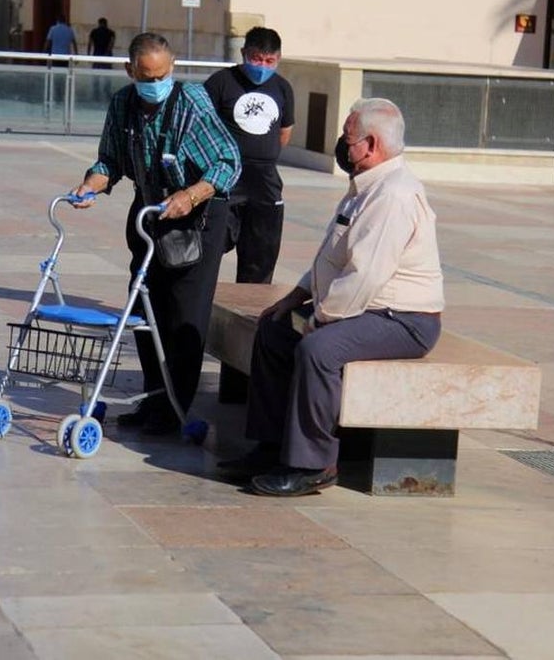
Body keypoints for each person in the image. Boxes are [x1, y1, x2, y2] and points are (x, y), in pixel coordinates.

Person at [220, 98, 444, 497]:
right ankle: (271, 446)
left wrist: (320, 318)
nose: (342, 144)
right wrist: (297, 296)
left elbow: (366, 275)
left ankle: (314, 464)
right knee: (273, 329)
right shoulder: (366, 186)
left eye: (347, 137)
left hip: (404, 319)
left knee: (319, 350)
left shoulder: (393, 195)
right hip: (366, 307)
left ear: (371, 145)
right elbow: (334, 255)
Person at [70, 32, 241, 435]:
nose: (156, 84)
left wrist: (192, 194)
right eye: (147, 77)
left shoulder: (191, 102)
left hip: (196, 215)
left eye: (163, 75)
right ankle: (153, 399)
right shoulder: (123, 104)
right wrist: (90, 185)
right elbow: (110, 161)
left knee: (183, 312)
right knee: (145, 307)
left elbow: (228, 160)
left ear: (172, 67)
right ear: (130, 71)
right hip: (151, 211)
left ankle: (174, 408)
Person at [204, 26, 295, 402]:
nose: (262, 66)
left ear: (278, 59)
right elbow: (202, 127)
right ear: (244, 54)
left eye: (269, 60)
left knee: (256, 279)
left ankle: (240, 380)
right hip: (224, 185)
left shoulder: (283, 88)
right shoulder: (221, 83)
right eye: (256, 59)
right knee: (205, 259)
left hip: (264, 191)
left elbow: (284, 133)